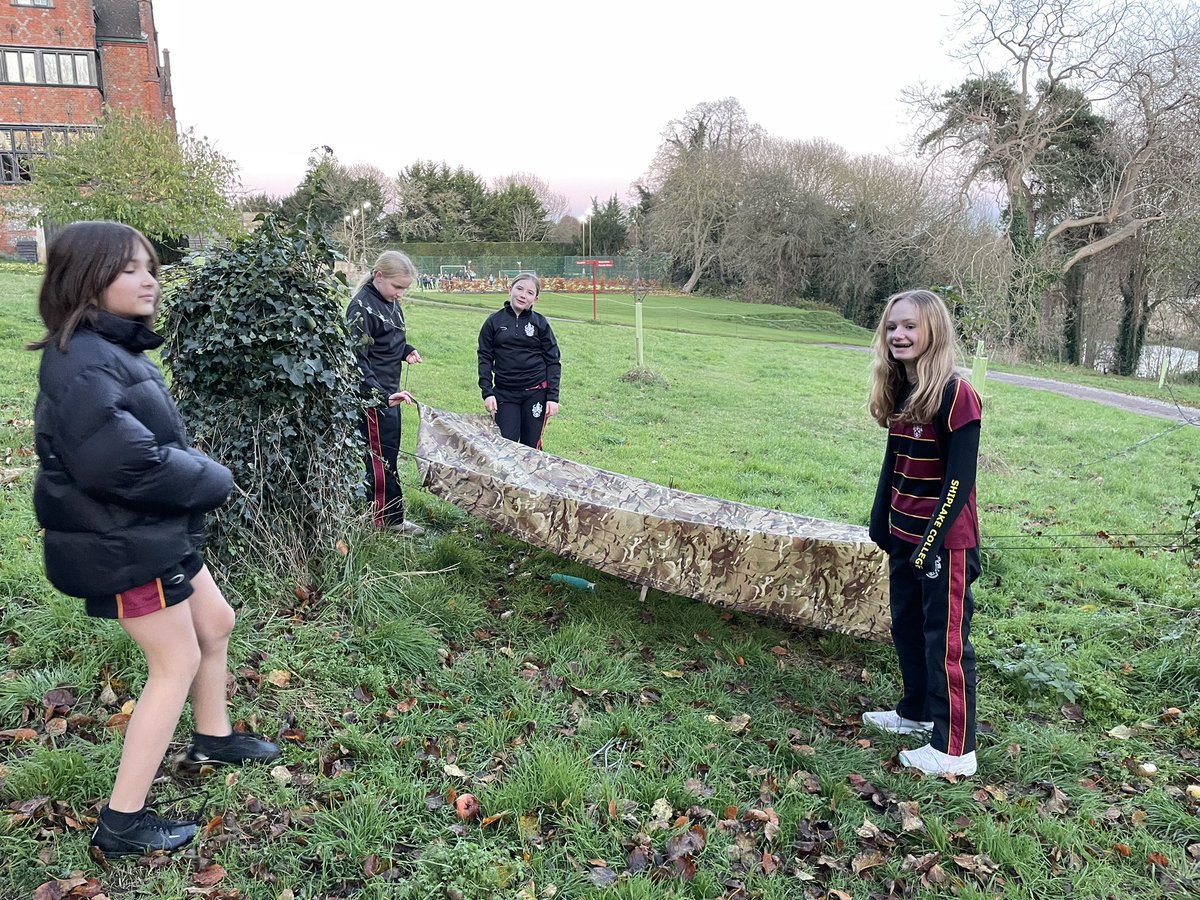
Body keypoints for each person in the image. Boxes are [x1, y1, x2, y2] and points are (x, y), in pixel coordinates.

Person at [29, 221, 280, 858]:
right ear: (87, 280)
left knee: (215, 622)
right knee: (175, 662)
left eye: (151, 268)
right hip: (120, 542)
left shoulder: (109, 348)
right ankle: (122, 823)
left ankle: (212, 737)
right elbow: (122, 464)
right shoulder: (83, 362)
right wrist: (213, 477)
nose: (149, 281)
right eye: (129, 270)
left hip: (151, 529)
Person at [864, 289, 982, 777]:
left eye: (910, 326)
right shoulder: (901, 390)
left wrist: (931, 543)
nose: (899, 334)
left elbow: (959, 481)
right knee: (907, 628)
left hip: (945, 545)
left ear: (933, 330)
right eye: (893, 326)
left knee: (944, 642)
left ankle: (955, 749)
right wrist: (881, 521)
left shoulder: (956, 395)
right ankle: (915, 712)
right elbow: (893, 464)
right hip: (904, 536)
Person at [346, 251, 425, 536]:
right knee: (379, 460)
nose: (400, 293)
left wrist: (407, 350)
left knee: (389, 455)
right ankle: (383, 521)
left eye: (404, 288)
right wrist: (379, 397)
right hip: (373, 398)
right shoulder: (360, 308)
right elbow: (357, 361)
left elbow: (388, 342)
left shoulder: (390, 302)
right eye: (397, 286)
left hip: (391, 394)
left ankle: (390, 516)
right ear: (379, 276)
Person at [477, 272, 561, 448]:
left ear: (535, 299)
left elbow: (553, 361)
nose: (523, 295)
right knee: (505, 445)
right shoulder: (493, 321)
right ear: (510, 289)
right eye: (519, 289)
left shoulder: (540, 323)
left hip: (536, 392)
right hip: (505, 393)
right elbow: (484, 357)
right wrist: (488, 392)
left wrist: (552, 398)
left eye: (530, 292)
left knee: (531, 446)